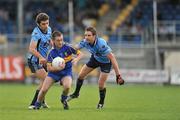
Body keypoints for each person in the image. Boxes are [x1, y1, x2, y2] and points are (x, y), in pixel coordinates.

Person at [67, 26, 124, 109]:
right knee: (81, 75)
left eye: (89, 35)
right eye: (85, 35)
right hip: (95, 59)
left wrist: (118, 75)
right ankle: (76, 93)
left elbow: (112, 57)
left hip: (106, 62)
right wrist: (64, 47)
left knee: (101, 84)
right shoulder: (85, 41)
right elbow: (75, 48)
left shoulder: (101, 44)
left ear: (94, 36)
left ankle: (101, 103)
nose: (86, 37)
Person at [33, 31, 83, 110]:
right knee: (44, 90)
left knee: (67, 86)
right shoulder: (51, 53)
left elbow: (81, 54)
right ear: (53, 41)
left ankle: (63, 99)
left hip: (66, 72)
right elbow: (49, 68)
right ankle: (37, 104)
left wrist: (76, 59)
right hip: (53, 73)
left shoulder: (68, 47)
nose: (60, 42)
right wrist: (58, 68)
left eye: (61, 40)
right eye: (58, 40)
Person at [27, 12, 53, 109]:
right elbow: (31, 49)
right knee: (47, 79)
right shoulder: (36, 33)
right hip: (34, 60)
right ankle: (34, 103)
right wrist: (40, 57)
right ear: (38, 24)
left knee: (45, 81)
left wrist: (53, 46)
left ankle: (41, 101)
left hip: (43, 60)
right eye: (43, 24)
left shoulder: (49, 29)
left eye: (47, 23)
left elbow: (49, 40)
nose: (46, 25)